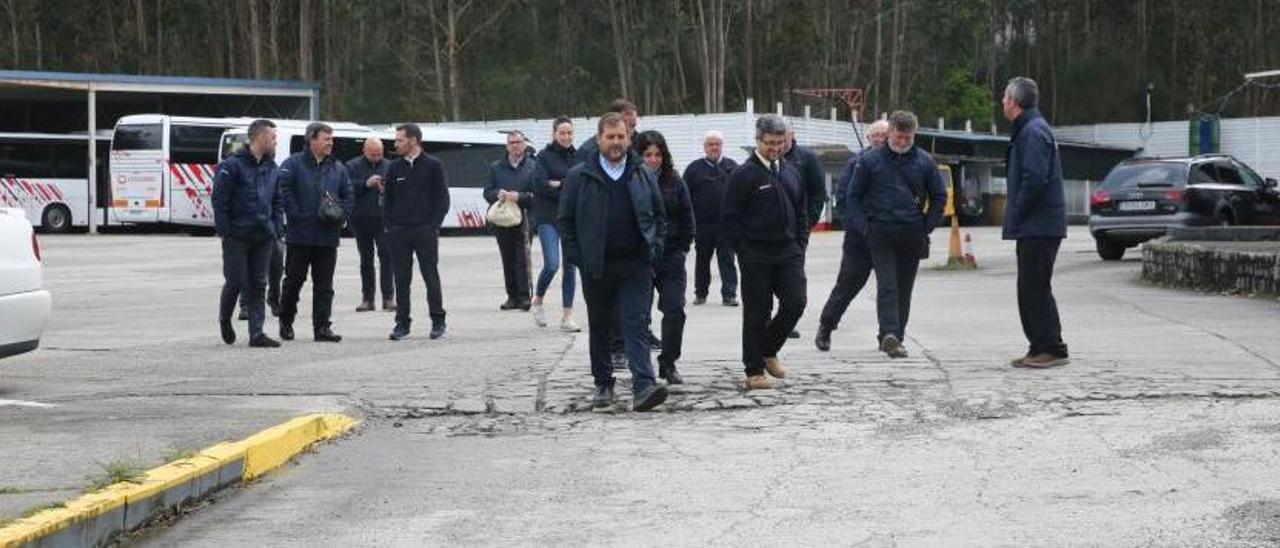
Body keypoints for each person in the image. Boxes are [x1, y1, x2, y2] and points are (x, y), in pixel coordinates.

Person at [559, 112, 669, 412]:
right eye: (610, 137)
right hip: (597, 265)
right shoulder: (579, 175)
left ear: (628, 138)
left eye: (621, 137)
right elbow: (565, 222)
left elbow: (659, 217)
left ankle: (643, 386)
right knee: (601, 325)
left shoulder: (642, 172)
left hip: (635, 264)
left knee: (637, 323)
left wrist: (654, 250)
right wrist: (577, 257)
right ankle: (603, 384)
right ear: (599, 140)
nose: (616, 142)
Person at [844, 111, 946, 359]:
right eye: (899, 137)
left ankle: (895, 336)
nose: (902, 142)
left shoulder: (924, 162)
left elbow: (939, 196)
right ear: (889, 133)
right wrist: (864, 228)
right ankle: (889, 333)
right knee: (887, 284)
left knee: (904, 288)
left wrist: (927, 226)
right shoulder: (870, 161)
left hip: (912, 234)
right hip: (879, 233)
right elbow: (852, 196)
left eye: (907, 138)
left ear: (914, 135)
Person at [721, 114, 808, 391]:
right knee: (758, 312)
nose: (775, 148)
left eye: (780, 142)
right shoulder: (743, 175)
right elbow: (730, 218)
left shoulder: (791, 170)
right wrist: (743, 251)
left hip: (788, 251)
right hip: (755, 254)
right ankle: (754, 370)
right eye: (770, 143)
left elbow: (801, 210)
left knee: (796, 302)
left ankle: (768, 350)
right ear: (758, 141)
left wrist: (800, 243)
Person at [1002, 76, 1070, 369]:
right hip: (1035, 224)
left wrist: (1017, 210)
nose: (1002, 103)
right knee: (1028, 287)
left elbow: (1035, 178)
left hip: (1039, 225)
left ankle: (1052, 348)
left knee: (1035, 287)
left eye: (1004, 98)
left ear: (1014, 102)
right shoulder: (1030, 129)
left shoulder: (1032, 131)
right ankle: (1039, 345)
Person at [814, 119, 889, 352]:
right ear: (868, 139)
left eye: (883, 135)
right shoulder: (856, 163)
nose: (879, 139)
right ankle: (826, 326)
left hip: (888, 237)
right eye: (875, 135)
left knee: (889, 288)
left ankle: (887, 334)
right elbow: (843, 198)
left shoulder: (898, 163)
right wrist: (855, 226)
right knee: (847, 284)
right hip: (859, 238)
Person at [278, 122, 355, 343]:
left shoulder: (338, 168)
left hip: (327, 237)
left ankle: (322, 327)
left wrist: (341, 217)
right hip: (299, 236)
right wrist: (296, 214)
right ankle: (286, 320)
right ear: (312, 139)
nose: (331, 143)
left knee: (324, 286)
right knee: (294, 281)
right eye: (326, 139)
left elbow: (348, 195)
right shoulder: (292, 164)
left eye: (331, 139)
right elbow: (283, 190)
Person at [212, 118, 283, 348]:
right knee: (235, 282)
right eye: (272, 137)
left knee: (258, 284)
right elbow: (219, 201)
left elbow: (277, 200)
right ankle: (225, 319)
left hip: (263, 236)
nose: (275, 141)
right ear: (260, 137)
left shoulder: (272, 167)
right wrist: (226, 232)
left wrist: (276, 229)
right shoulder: (231, 166)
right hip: (237, 236)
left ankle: (256, 333)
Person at [636, 130, 695, 385]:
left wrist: (683, 247)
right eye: (648, 155)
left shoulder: (675, 182)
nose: (653, 160)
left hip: (671, 255)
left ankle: (668, 362)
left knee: (674, 309)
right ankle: (641, 367)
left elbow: (687, 215)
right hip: (640, 257)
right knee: (639, 314)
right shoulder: (631, 180)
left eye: (658, 154)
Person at [384, 123, 451, 341]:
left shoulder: (434, 165)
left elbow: (442, 199)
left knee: (430, 276)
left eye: (400, 140)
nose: (396, 144)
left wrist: (433, 225)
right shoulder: (393, 167)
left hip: (425, 230)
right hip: (399, 231)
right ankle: (402, 323)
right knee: (402, 279)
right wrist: (390, 226)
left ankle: (438, 321)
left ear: (413, 141)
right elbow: (388, 200)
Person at [531, 116, 581, 332]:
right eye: (562, 132)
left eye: (569, 132)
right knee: (552, 263)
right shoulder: (543, 156)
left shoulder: (579, 157)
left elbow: (581, 184)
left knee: (570, 267)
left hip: (571, 218)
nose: (566, 136)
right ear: (554, 134)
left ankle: (567, 316)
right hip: (547, 218)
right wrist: (565, 185)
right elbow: (540, 185)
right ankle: (538, 300)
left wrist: (558, 183)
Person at [780, 122, 826, 339]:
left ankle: (787, 321)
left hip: (797, 230)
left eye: (783, 136)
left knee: (792, 276)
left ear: (792, 135)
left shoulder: (806, 158)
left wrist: (808, 223)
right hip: (767, 230)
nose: (779, 142)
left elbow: (818, 193)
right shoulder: (762, 159)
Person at [683, 130, 740, 307]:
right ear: (705, 147)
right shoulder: (693, 169)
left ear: (722, 146)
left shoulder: (733, 167)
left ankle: (729, 295)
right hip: (703, 225)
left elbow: (742, 195)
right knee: (702, 260)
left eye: (717, 144)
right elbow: (684, 198)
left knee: (727, 259)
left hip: (727, 225)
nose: (714, 147)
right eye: (710, 144)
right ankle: (700, 293)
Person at [484, 130, 538, 311]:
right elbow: (487, 192)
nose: (516, 145)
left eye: (519, 142)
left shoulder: (533, 166)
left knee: (522, 259)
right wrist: (497, 194)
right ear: (507, 146)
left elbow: (538, 195)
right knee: (507, 258)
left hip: (524, 219)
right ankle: (512, 296)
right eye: (512, 142)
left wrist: (519, 196)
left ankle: (524, 296)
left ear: (524, 144)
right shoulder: (496, 167)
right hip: (502, 220)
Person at [346, 137, 395, 312]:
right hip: (361, 219)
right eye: (373, 154)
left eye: (379, 154)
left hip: (384, 219)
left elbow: (397, 190)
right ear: (364, 151)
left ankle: (388, 298)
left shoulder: (390, 166)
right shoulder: (352, 166)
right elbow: (346, 189)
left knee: (387, 258)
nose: (376, 157)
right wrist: (366, 184)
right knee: (366, 260)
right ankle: (368, 299)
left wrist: (385, 188)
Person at [574, 98, 638, 166]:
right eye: (628, 114)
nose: (616, 142)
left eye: (633, 126)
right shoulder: (587, 150)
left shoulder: (638, 144)